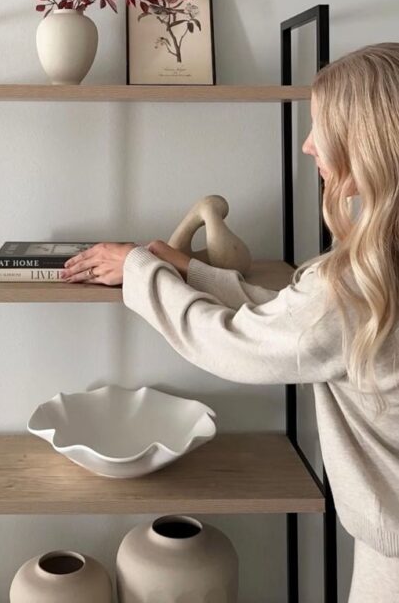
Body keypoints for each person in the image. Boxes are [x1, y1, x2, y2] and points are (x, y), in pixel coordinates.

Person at [61, 43, 399, 602]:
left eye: (323, 127)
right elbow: (299, 323)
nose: (308, 143)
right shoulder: (374, 271)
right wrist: (191, 271)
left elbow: (235, 344)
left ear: (370, 141)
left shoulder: (359, 282)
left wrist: (140, 270)